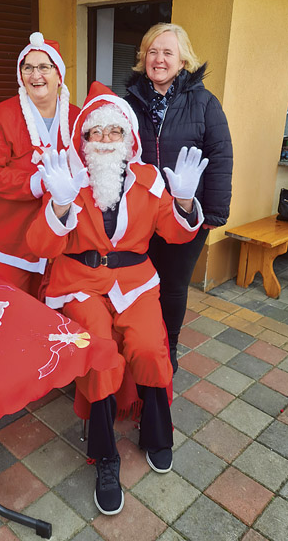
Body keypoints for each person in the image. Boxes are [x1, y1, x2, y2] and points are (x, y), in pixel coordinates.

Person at [27, 81, 208, 516]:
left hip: (135, 282)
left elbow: (175, 233)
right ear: (83, 138)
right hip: (79, 281)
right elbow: (39, 246)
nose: (105, 140)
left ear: (129, 138)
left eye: (114, 132)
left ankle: (156, 431)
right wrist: (60, 208)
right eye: (96, 132)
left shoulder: (149, 182)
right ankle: (105, 457)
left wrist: (184, 202)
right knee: (101, 350)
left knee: (148, 345)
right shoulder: (69, 180)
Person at [125, 23, 233, 372]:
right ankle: (144, 346)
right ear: (143, 58)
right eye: (152, 51)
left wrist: (213, 213)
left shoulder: (204, 103)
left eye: (167, 52)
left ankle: (166, 351)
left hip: (187, 213)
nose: (159, 59)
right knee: (144, 283)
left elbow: (221, 156)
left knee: (172, 286)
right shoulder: (130, 102)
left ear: (183, 59)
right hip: (142, 214)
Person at [0, 32, 80, 297]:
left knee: (57, 316)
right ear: (21, 75)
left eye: (44, 67)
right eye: (28, 67)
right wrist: (35, 182)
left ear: (59, 75)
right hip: (14, 240)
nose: (36, 75)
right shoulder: (3, 115)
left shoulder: (77, 116)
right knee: (16, 313)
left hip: (64, 240)